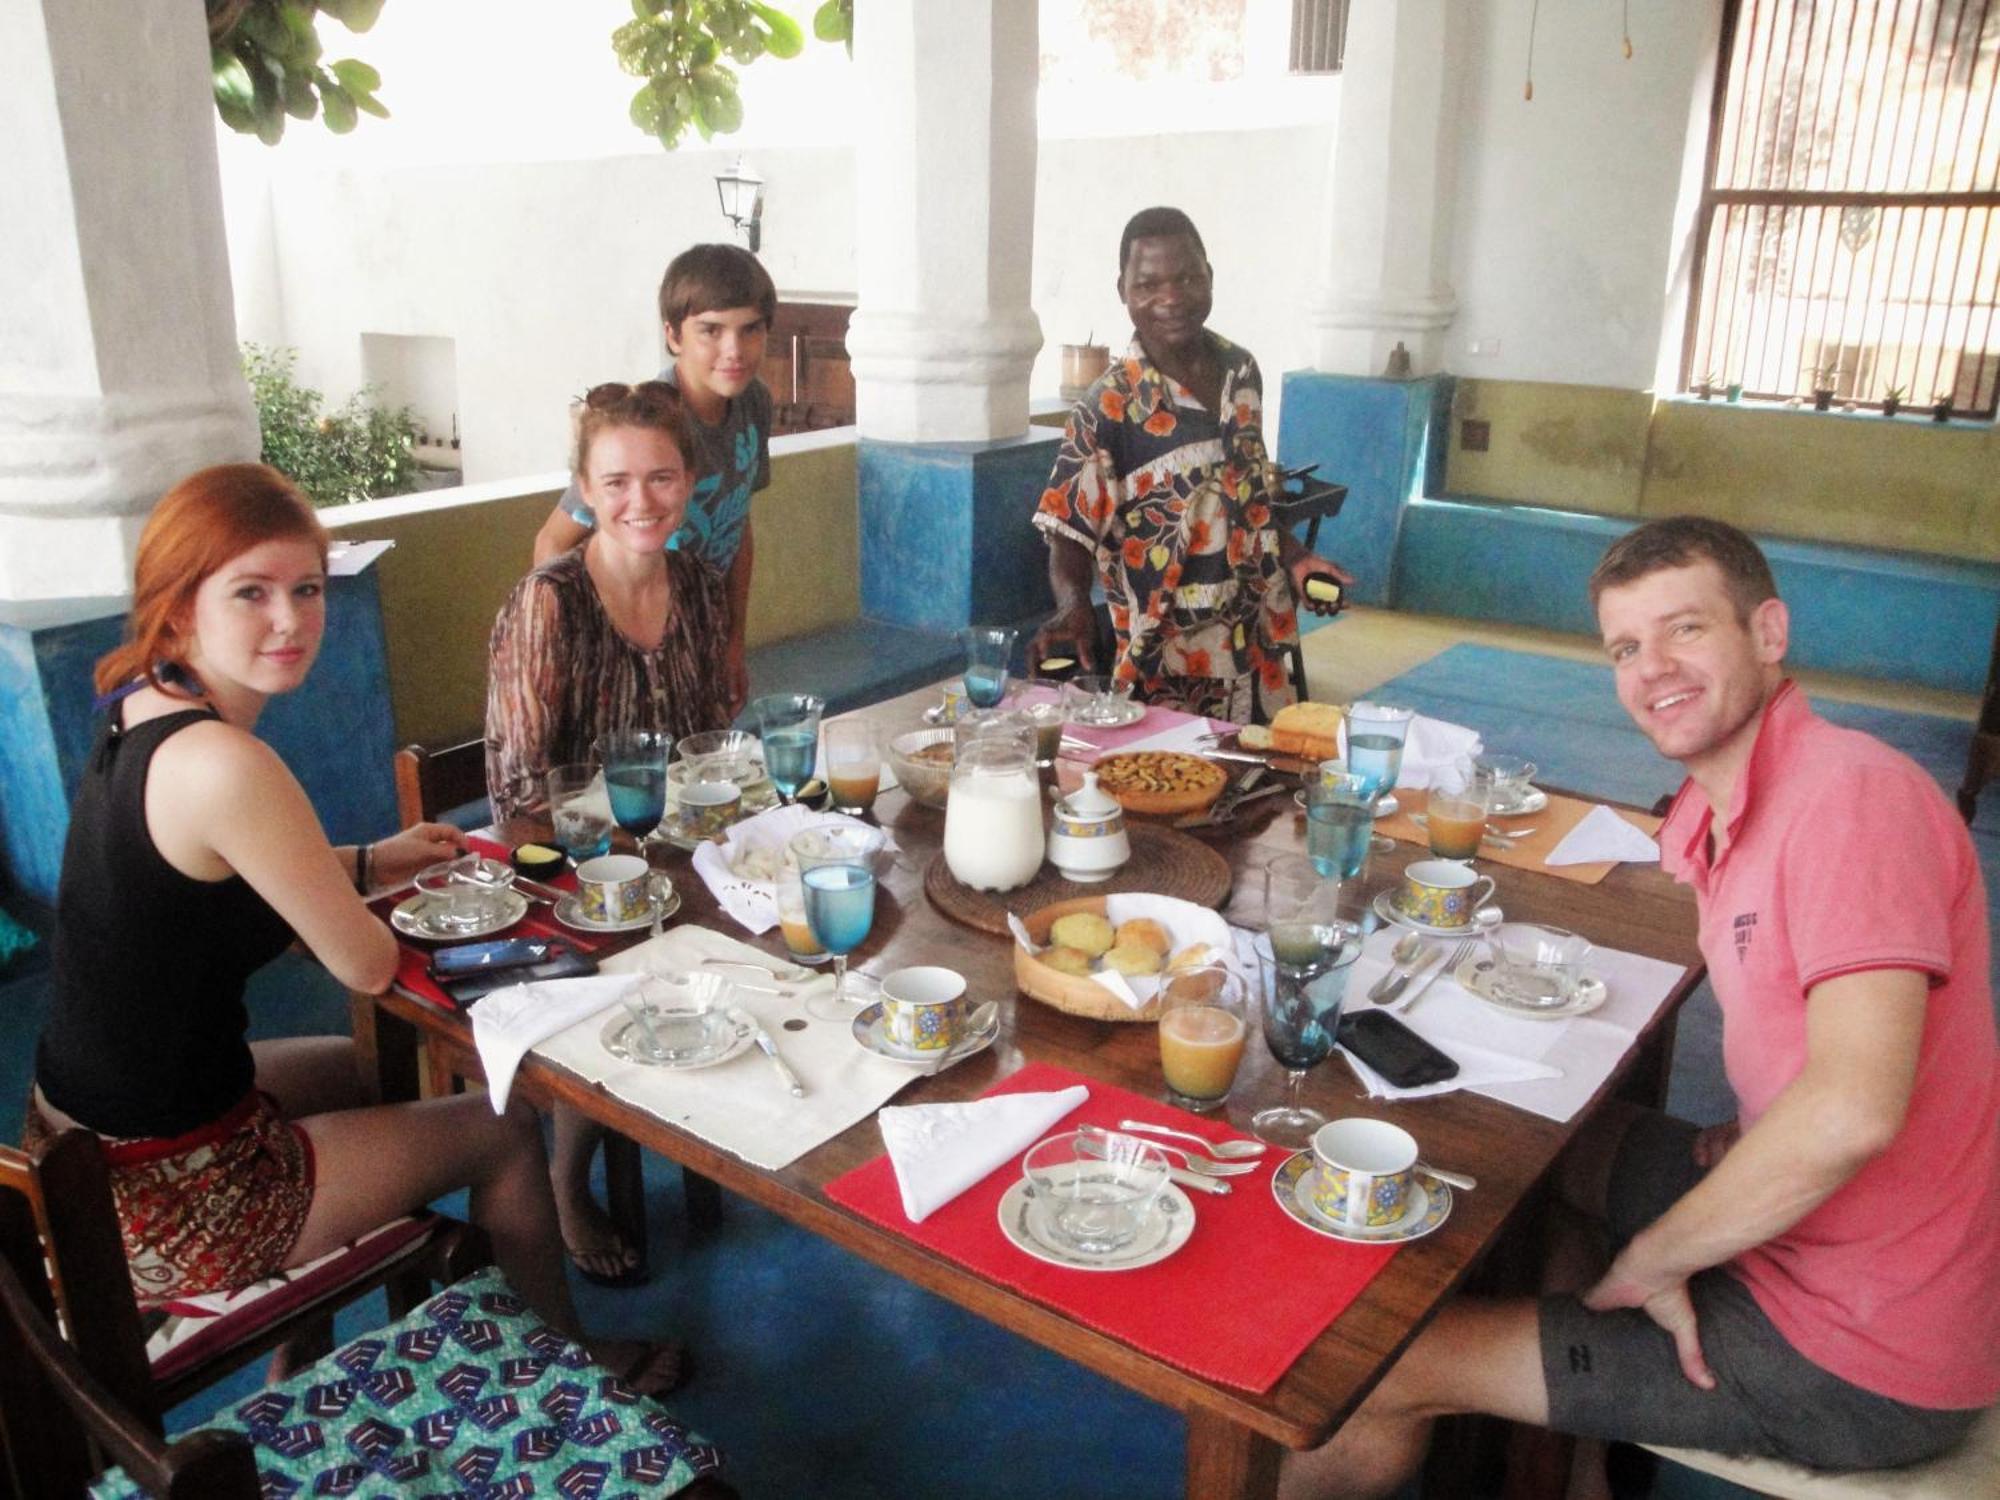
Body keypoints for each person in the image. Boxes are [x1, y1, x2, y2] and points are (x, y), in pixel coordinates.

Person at [1281, 516, 1999, 1499]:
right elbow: (1817, 1040)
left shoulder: (1851, 799)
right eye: (1625, 647)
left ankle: (1467, 1396)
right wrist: (1754, 1127)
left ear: (1768, 632)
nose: (1651, 667)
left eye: (1685, 630)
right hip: (1821, 1230)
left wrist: (1658, 1260)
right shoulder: (1716, 805)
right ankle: (1571, 1472)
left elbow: (1851, 1109)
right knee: (1534, 1149)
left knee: (1367, 1372)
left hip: (1856, 1347)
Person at [27, 464, 682, 1394]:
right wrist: (366, 894)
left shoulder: (141, 708)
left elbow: (231, 868)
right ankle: (574, 1378)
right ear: (178, 608)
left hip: (78, 1138)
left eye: (305, 589)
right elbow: (368, 961)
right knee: (499, 1126)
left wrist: (373, 860)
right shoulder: (225, 762)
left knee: (361, 1069)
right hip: (172, 1195)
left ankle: (305, 1351)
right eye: (249, 593)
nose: (291, 620)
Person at [490, 379, 733, 1284]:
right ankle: (564, 1179)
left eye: (662, 478)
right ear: (584, 489)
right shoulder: (549, 602)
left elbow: (711, 744)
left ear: (690, 482)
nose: (642, 501)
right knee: (624, 955)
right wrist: (599, 875)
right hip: (553, 861)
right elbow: (515, 793)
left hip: (670, 849)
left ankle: (719, 1112)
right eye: (618, 481)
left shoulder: (702, 590)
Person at [1028, 205, 1352, 723]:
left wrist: (1294, 560)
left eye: (1185, 278)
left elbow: (1245, 497)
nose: (1171, 298)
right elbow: (1068, 532)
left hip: (1259, 648)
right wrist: (1072, 606)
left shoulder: (1241, 371)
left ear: (1210, 279)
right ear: (1123, 291)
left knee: (1262, 791)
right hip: (1167, 668)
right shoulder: (1108, 405)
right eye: (1148, 283)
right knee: (1173, 790)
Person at [532, 243, 775, 720]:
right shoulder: (649, 423)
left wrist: (732, 643)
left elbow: (737, 526)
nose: (734, 351)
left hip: (699, 633)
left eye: (751, 330)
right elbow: (551, 543)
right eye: (710, 331)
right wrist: (587, 647)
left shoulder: (754, 404)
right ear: (673, 335)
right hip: (632, 640)